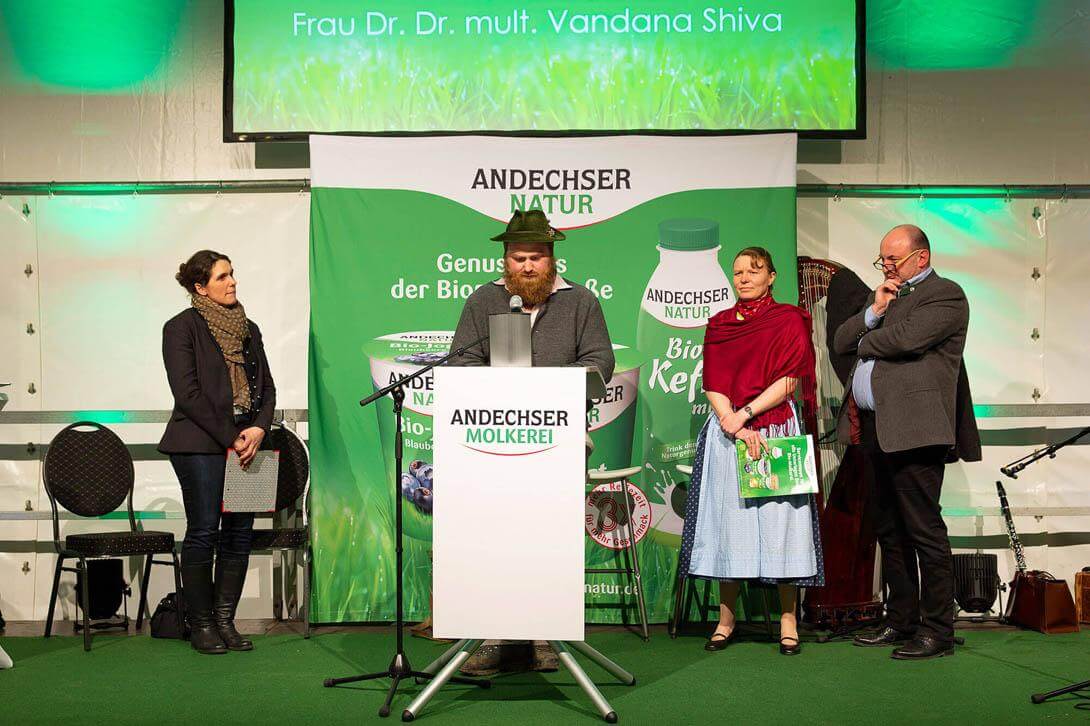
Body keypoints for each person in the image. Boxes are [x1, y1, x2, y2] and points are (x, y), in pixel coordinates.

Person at [451, 209, 615, 676]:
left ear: (552, 259)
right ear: (505, 259)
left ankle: (545, 636)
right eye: (518, 257)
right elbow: (461, 363)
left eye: (536, 258)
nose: (527, 266)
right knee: (496, 539)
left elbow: (600, 360)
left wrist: (552, 384)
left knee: (550, 539)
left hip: (559, 442)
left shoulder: (581, 302)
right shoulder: (484, 301)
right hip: (494, 445)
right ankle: (492, 637)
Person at [833, 224, 980, 660]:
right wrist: (874, 310)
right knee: (889, 531)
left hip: (916, 430)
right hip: (876, 427)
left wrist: (868, 340)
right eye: (882, 260)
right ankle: (901, 621)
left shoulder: (946, 295)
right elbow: (842, 341)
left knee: (923, 529)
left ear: (921, 257)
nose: (886, 267)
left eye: (893, 259)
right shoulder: (885, 295)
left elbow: (905, 340)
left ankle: (939, 630)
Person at [677, 246, 823, 656]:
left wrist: (746, 415)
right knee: (731, 523)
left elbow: (790, 378)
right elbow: (714, 381)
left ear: (771, 276)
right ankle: (726, 620)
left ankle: (788, 621)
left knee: (783, 524)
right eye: (737, 271)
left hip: (775, 429)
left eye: (753, 270)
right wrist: (733, 424)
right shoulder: (720, 324)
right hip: (729, 436)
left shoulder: (789, 319)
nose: (743, 277)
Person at [159, 250, 276, 655]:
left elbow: (268, 387)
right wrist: (234, 436)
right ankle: (202, 624)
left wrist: (259, 427)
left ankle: (226, 622)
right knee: (205, 529)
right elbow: (188, 395)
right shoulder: (181, 328)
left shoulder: (249, 328)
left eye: (233, 274)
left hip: (246, 443)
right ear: (200, 286)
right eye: (223, 277)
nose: (233, 283)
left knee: (240, 535)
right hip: (199, 445)